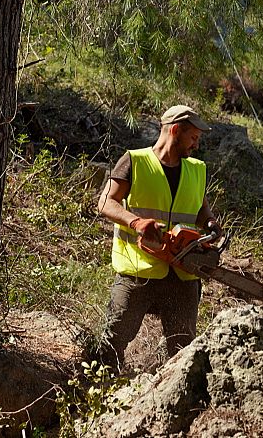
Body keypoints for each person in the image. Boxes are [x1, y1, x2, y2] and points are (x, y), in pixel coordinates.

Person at [95, 105, 222, 373]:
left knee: (183, 348)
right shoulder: (134, 161)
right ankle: (99, 386)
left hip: (183, 272)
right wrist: (137, 222)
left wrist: (209, 222)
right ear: (175, 130)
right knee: (114, 338)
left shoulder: (196, 169)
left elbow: (201, 209)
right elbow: (106, 202)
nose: (196, 145)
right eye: (193, 138)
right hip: (139, 271)